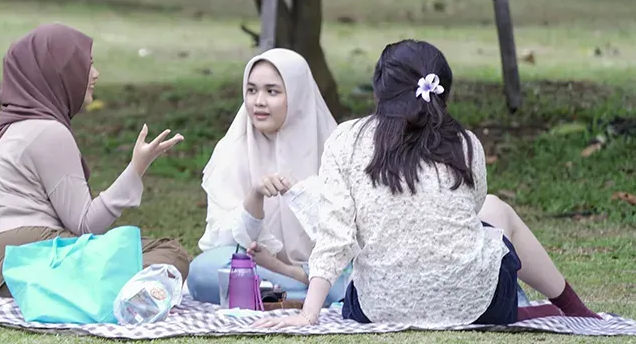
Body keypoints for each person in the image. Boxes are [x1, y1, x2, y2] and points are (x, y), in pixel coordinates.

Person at [256, 40, 600, 329]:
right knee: (497, 208)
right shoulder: (465, 143)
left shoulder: (345, 140)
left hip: (378, 309)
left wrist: (309, 314)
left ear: (380, 90)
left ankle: (560, 308)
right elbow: (476, 205)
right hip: (482, 307)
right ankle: (574, 309)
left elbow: (335, 234)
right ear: (442, 91)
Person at [0, 23, 192, 297]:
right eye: (86, 65)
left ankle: (114, 292)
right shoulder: (47, 132)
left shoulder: (18, 126)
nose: (96, 74)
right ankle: (126, 298)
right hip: (24, 265)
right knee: (170, 254)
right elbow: (86, 225)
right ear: (59, 71)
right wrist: (137, 168)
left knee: (138, 253)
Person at [188, 49, 352, 305]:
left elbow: (347, 237)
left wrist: (304, 197)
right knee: (202, 272)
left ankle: (282, 293)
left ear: (297, 95)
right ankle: (300, 294)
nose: (258, 101)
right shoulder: (232, 150)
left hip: (324, 270)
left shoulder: (333, 148)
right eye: (252, 90)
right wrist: (255, 198)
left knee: (355, 276)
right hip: (259, 270)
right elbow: (222, 242)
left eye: (272, 91)